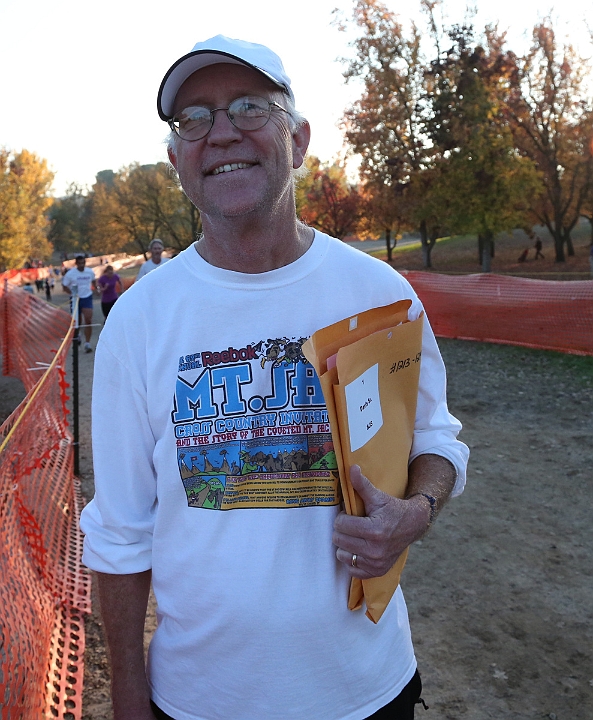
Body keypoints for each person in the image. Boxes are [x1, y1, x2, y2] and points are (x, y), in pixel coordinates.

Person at [80, 35, 469, 720]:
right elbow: (120, 532)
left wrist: (419, 510)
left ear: (299, 139)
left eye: (249, 106)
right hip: (200, 699)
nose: (221, 131)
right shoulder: (139, 318)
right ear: (176, 159)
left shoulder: (377, 292)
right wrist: (129, 704)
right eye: (193, 119)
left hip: (367, 690)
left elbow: (433, 438)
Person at [62, 254, 97, 353]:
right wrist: (72, 294)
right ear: (76, 264)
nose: (81, 265)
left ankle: (87, 343)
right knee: (77, 321)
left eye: (83, 263)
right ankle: (79, 335)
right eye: (79, 263)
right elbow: (64, 286)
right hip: (75, 299)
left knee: (88, 319)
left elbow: (94, 281)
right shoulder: (70, 274)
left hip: (87, 297)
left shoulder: (89, 272)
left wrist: (96, 288)